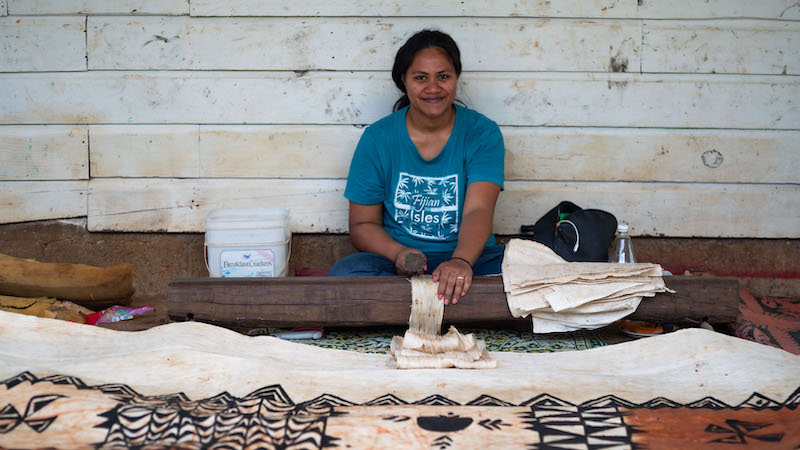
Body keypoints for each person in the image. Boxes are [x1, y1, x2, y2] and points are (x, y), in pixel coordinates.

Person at [328, 29, 505, 306]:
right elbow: (363, 223)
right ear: (404, 81)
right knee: (344, 275)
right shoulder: (379, 138)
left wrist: (460, 262)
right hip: (397, 265)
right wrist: (398, 254)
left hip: (471, 259)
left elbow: (478, 209)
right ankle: (453, 305)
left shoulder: (482, 133)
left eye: (443, 77)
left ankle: (410, 306)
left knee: (523, 272)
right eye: (421, 77)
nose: (433, 88)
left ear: (456, 78)